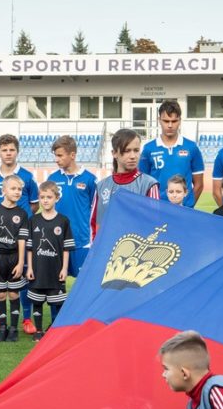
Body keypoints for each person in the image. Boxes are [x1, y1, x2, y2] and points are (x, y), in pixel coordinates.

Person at [0, 133, 39, 337]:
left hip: (21, 234)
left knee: (21, 277)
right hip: (0, 239)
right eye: (4, 150)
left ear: (17, 151)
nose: (8, 153)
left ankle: (25, 318)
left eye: (12, 149)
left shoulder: (27, 176)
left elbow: (34, 203)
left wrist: (20, 219)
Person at [0, 175, 30, 342]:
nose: (17, 192)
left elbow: (22, 240)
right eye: (13, 188)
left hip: (14, 258)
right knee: (1, 295)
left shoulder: (22, 214)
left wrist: (20, 263)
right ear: (3, 191)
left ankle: (13, 329)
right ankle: (2, 327)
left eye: (19, 189)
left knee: (14, 294)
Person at [26, 180, 73, 341]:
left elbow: (66, 248)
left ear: (56, 199)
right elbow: (30, 248)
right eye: (42, 197)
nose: (45, 200)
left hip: (56, 269)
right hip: (38, 269)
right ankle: (38, 331)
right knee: (37, 301)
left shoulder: (63, 221)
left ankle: (55, 330)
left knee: (58, 302)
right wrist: (30, 268)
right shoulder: (33, 220)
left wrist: (64, 268)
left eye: (49, 197)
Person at [91, 128, 159, 238]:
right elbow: (94, 224)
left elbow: (154, 225)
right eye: (127, 151)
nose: (133, 156)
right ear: (114, 153)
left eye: (136, 150)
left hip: (135, 252)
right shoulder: (101, 186)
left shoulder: (149, 185)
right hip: (106, 252)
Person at [139, 100, 204, 208]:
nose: (170, 125)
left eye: (174, 121)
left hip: (183, 210)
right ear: (159, 120)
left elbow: (199, 184)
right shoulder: (148, 149)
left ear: (180, 121)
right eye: (166, 121)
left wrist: (189, 206)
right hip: (157, 210)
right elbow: (142, 184)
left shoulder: (191, 147)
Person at [48, 135, 95, 278]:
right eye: (55, 156)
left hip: (82, 240)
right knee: (56, 285)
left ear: (72, 155)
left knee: (83, 284)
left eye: (60, 155)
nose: (57, 159)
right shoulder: (52, 179)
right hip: (57, 241)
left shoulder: (90, 179)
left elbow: (96, 210)